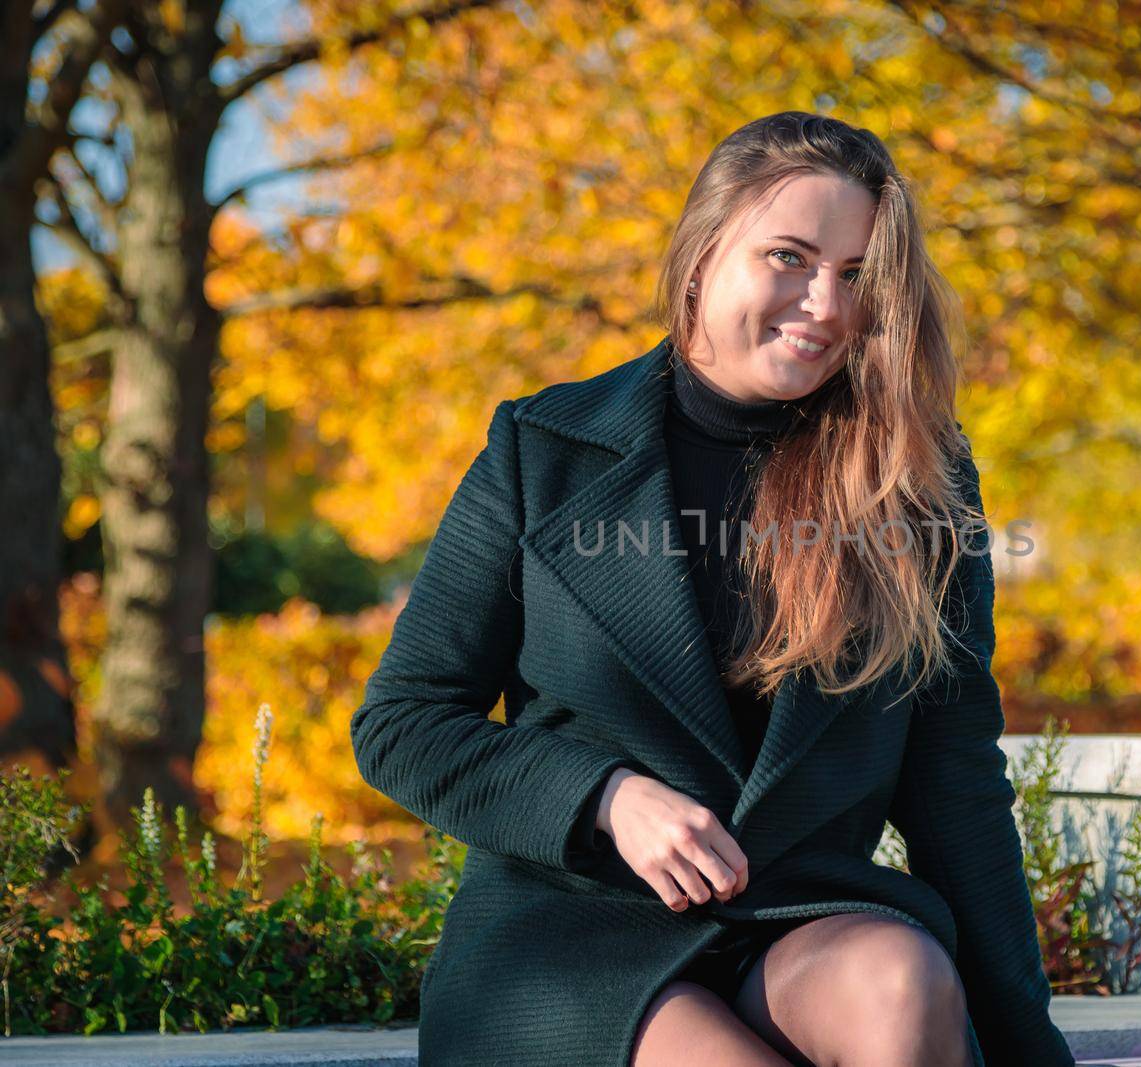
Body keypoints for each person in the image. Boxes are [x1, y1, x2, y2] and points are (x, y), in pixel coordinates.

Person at [350, 111, 1076, 1067]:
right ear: (701, 254)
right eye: (789, 256)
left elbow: (955, 787)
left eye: (857, 277)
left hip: (802, 918)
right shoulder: (543, 450)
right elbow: (402, 721)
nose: (824, 304)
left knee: (902, 980)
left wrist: (1033, 1050)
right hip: (571, 934)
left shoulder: (915, 480)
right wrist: (605, 797)